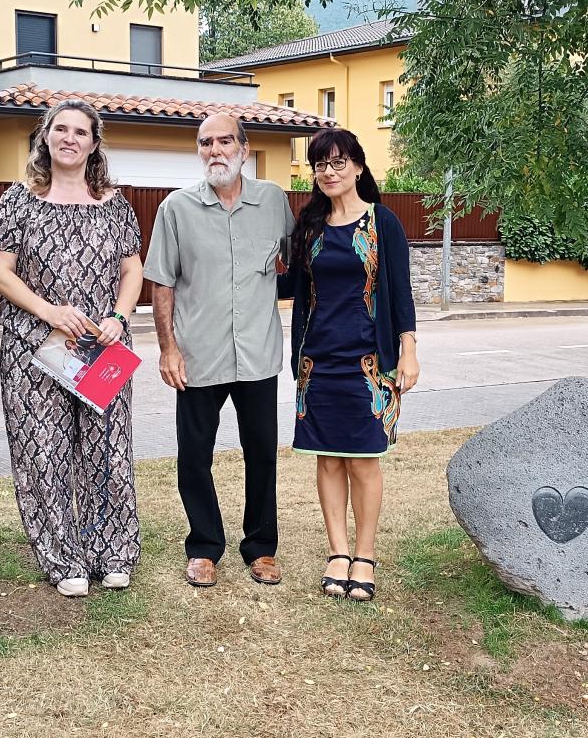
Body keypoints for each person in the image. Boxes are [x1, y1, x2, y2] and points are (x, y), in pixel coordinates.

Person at [0, 99, 144, 598]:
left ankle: (112, 553)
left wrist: (119, 316)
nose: (69, 138)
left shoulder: (114, 203)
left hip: (102, 347)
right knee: (44, 453)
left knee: (108, 450)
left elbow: (131, 269)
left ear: (95, 143)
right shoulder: (17, 199)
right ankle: (64, 559)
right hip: (36, 347)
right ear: (46, 137)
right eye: (61, 129)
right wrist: (50, 311)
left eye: (80, 131)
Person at [144, 112, 295, 588]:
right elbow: (161, 285)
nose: (215, 150)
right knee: (194, 456)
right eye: (206, 142)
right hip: (198, 355)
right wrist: (168, 349)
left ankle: (261, 546)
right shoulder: (176, 209)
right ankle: (204, 546)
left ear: (244, 149)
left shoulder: (273, 201)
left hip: (257, 354)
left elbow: (291, 260)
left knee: (262, 454)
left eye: (225, 141)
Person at [282, 128, 419, 602]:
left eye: (339, 162)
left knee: (363, 461)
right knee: (328, 458)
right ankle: (337, 552)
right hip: (316, 362)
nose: (329, 172)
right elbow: (291, 288)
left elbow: (400, 291)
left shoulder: (384, 222)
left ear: (359, 167)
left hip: (369, 361)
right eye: (321, 164)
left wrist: (409, 348)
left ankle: (364, 555)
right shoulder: (310, 226)